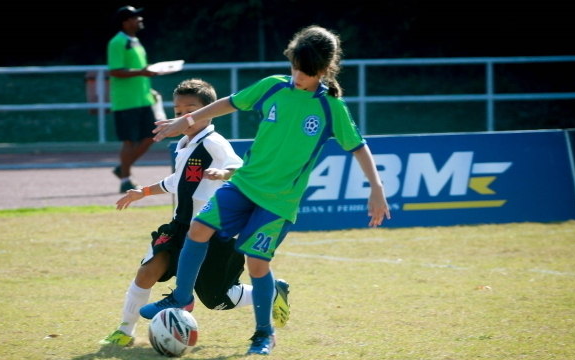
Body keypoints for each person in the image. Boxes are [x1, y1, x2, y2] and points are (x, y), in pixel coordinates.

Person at [140, 26, 391, 355]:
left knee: (257, 264)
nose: (298, 75)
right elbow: (227, 104)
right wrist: (184, 122)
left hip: (278, 202)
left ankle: (263, 334)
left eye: (306, 70)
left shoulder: (332, 108)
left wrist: (376, 189)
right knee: (198, 229)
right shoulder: (272, 87)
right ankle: (181, 298)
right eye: (295, 66)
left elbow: (359, 148)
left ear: (323, 69)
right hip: (243, 186)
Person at [99, 79, 291, 347]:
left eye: (190, 111)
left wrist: (224, 173)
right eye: (177, 112)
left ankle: (271, 293)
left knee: (217, 299)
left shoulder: (214, 143)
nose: (182, 117)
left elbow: (242, 168)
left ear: (208, 111)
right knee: (148, 270)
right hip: (180, 227)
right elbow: (178, 180)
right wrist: (143, 192)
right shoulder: (184, 144)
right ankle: (124, 330)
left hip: (212, 231)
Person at [107, 5, 160, 193]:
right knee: (129, 140)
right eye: (135, 17)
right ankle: (126, 180)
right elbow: (115, 70)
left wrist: (150, 89)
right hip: (126, 101)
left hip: (143, 99)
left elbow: (139, 70)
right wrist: (143, 72)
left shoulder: (135, 41)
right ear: (126, 22)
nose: (139, 19)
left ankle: (123, 168)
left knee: (152, 136)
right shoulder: (117, 42)